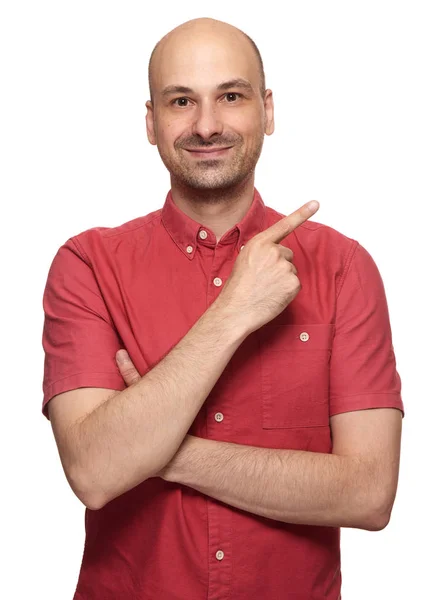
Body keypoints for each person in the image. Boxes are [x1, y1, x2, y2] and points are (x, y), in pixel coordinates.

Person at [41, 16, 404, 600]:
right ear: (151, 123)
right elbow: (95, 472)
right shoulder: (88, 264)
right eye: (181, 100)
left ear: (267, 110)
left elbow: (369, 493)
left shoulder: (342, 268)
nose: (206, 125)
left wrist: (158, 448)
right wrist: (233, 310)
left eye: (230, 96)